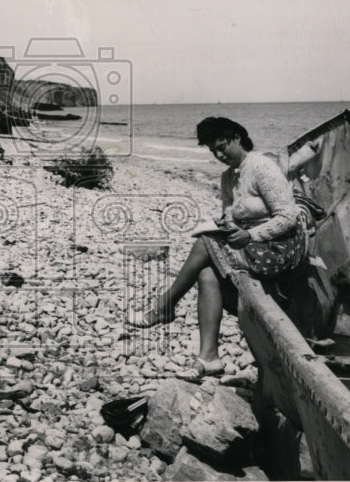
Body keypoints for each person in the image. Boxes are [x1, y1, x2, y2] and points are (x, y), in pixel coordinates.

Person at [126, 116, 306, 381]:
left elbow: (288, 217)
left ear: (237, 138)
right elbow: (230, 214)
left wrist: (250, 234)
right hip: (252, 243)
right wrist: (226, 226)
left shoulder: (262, 168)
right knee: (206, 272)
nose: (220, 155)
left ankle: (164, 306)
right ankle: (208, 357)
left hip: (279, 246)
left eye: (223, 147)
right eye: (214, 151)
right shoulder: (227, 177)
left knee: (204, 243)